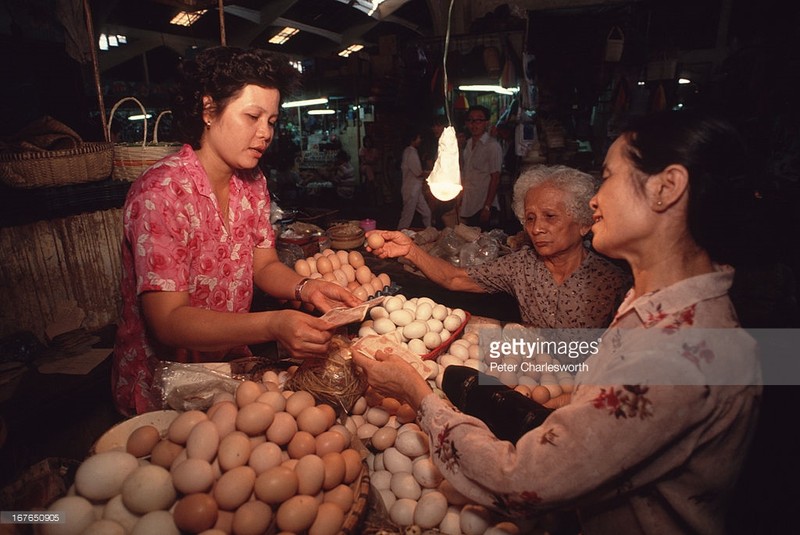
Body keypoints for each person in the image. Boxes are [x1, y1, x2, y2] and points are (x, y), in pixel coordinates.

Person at [354, 110, 762, 534]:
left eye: (607, 176)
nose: (595, 199)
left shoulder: (676, 350)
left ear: (667, 188)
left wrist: (417, 395)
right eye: (531, 218)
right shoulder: (659, 307)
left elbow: (522, 481)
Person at [112, 47, 361, 416]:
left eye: (272, 120)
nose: (265, 133)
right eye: (252, 116)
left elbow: (263, 266)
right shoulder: (161, 193)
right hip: (165, 383)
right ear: (209, 110)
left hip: (227, 371)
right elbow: (168, 321)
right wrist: (274, 324)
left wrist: (305, 287)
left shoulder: (252, 183)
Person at [370, 165, 630, 328]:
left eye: (550, 217)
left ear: (584, 223)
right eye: (530, 218)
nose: (537, 228)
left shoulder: (611, 282)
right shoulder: (522, 265)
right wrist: (411, 251)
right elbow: (455, 278)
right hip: (533, 374)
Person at [459, 105, 503, 229]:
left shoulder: (492, 146)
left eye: (478, 120)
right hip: (468, 204)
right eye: (471, 120)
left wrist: (487, 206)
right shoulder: (468, 145)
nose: (474, 124)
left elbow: (495, 177)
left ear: (486, 123)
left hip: (483, 206)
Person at [397, 127, 432, 230]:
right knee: (407, 216)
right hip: (411, 189)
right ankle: (399, 234)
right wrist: (432, 173)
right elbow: (418, 173)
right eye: (419, 138)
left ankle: (429, 231)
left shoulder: (410, 151)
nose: (420, 140)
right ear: (413, 139)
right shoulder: (410, 152)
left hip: (415, 189)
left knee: (427, 213)